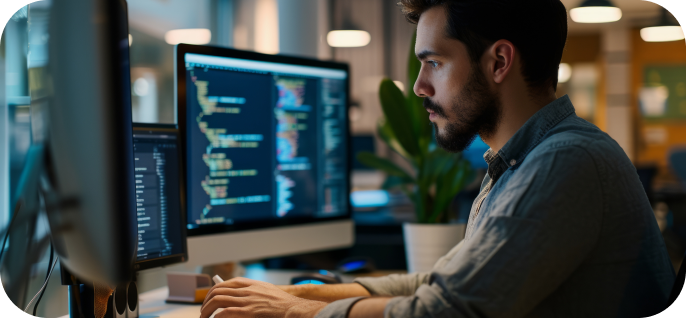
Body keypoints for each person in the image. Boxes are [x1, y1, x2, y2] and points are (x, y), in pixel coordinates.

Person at [200, 1, 676, 317]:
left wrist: (296, 313)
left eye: (434, 63)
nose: (418, 86)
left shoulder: (567, 160)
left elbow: (446, 311)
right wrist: (294, 294)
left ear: (498, 62)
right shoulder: (515, 164)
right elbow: (441, 281)